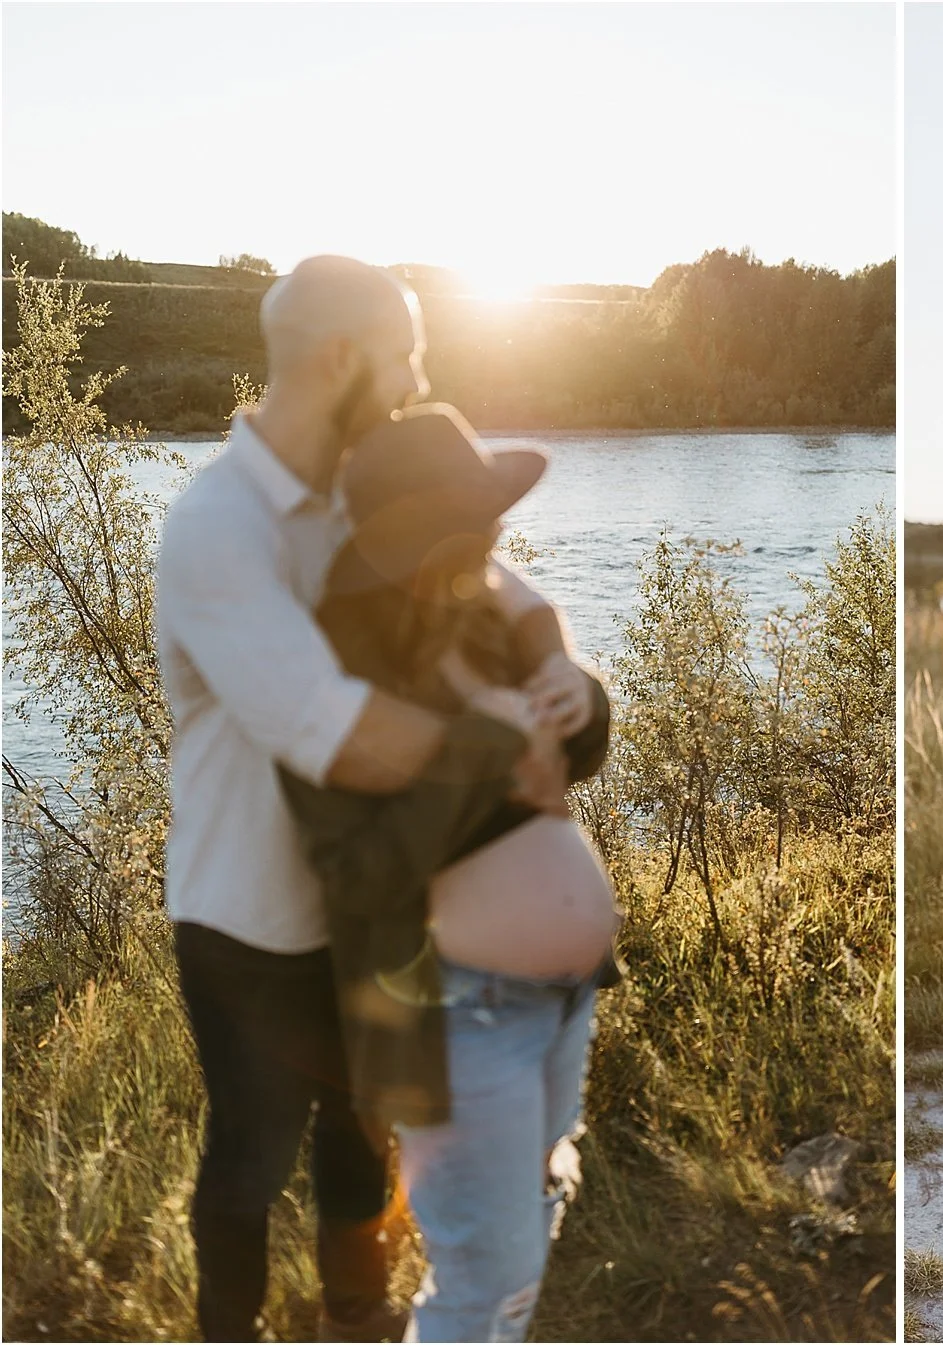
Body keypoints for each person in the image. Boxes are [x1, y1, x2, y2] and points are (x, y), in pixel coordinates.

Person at [154, 256, 592, 1342]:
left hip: (382, 895)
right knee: (251, 1155)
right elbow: (342, 732)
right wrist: (510, 748)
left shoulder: (366, 478)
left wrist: (564, 671)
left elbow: (499, 582)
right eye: (407, 351)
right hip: (250, 914)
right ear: (342, 357)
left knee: (365, 1137)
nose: (419, 374)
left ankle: (356, 1319)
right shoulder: (218, 527)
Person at [278, 404, 623, 1342]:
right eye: (473, 525)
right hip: (456, 1014)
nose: (497, 542)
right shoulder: (334, 687)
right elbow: (353, 871)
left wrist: (576, 691)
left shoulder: (477, 612)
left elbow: (581, 750)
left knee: (542, 1184)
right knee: (482, 1282)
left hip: (558, 998)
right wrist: (480, 750)